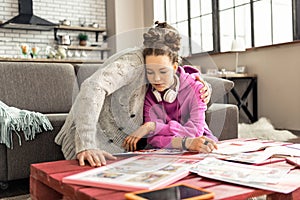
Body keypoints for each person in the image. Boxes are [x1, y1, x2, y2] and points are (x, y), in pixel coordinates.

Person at [55, 24, 212, 168]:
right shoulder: (133, 63)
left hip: (115, 149)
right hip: (87, 142)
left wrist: (204, 86)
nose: (156, 78)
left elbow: (178, 75)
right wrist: (86, 144)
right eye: (151, 72)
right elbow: (93, 87)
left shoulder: (157, 63)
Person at [123, 22, 217, 153]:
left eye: (163, 72)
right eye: (150, 72)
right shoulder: (149, 95)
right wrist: (183, 141)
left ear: (174, 67)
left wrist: (153, 126)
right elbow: (153, 140)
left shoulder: (196, 88)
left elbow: (195, 133)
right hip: (167, 151)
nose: (156, 79)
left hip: (202, 147)